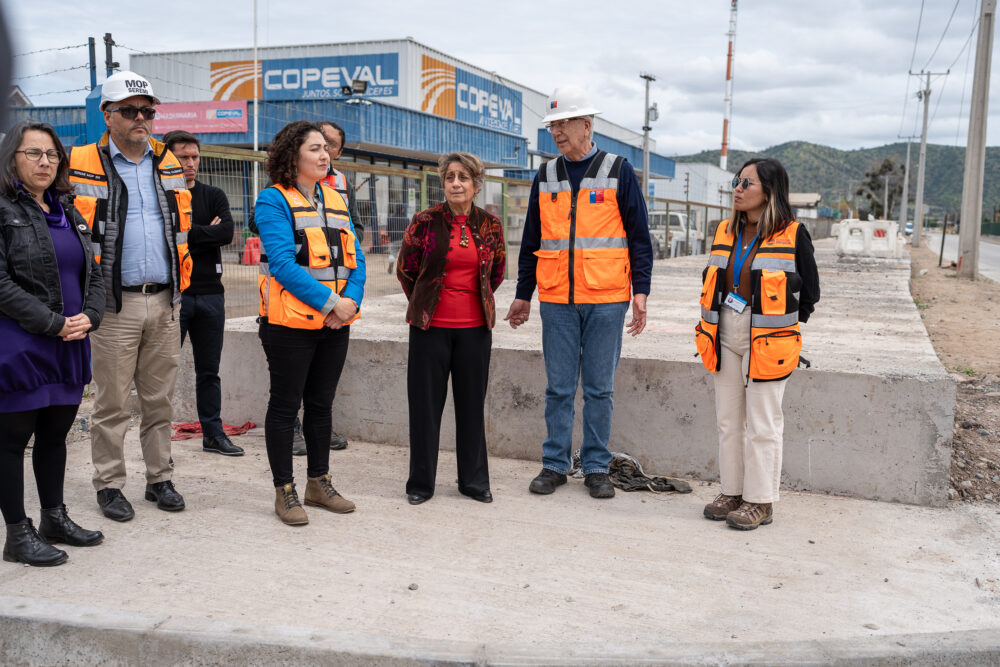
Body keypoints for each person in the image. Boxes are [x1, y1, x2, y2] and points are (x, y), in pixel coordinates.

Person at [505, 84, 653, 500]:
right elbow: (533, 239)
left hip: (607, 298)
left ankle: (596, 466)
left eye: (563, 124)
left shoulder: (618, 169)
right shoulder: (546, 174)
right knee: (559, 387)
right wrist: (523, 294)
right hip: (556, 299)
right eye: (552, 126)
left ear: (586, 125)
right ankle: (554, 464)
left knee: (600, 388)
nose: (556, 132)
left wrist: (640, 291)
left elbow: (640, 238)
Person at [68, 70, 192, 521]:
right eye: (129, 110)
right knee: (113, 403)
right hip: (112, 305)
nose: (141, 118)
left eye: (147, 110)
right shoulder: (79, 163)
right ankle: (110, 484)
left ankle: (160, 477)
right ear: (107, 114)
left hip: (164, 301)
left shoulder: (167, 163)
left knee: (160, 399)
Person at [0, 121, 105, 566]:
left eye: (52, 155)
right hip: (22, 344)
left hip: (68, 341)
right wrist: (52, 323)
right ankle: (17, 534)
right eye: (33, 153)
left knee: (55, 435)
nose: (45, 162)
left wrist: (90, 316)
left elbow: (93, 272)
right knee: (10, 441)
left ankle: (53, 517)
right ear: (12, 159)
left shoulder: (66, 208)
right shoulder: (3, 209)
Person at [696, 158, 819, 530]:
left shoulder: (793, 233)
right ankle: (732, 492)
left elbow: (810, 293)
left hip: (767, 337)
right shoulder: (724, 230)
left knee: (763, 423)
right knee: (728, 421)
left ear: (769, 191)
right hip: (724, 331)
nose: (737, 187)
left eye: (746, 183)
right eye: (736, 181)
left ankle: (760, 500)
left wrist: (780, 328)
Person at [255, 120, 365, 526]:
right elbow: (282, 264)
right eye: (315, 149)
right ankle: (285, 490)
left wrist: (351, 302)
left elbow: (358, 257)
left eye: (326, 149)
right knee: (285, 407)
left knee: (321, 405)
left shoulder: (336, 198)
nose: (325, 155)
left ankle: (319, 483)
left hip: (336, 323)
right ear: (292, 156)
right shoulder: (272, 201)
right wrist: (334, 302)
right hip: (289, 324)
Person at [396, 152, 506, 505]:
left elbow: (497, 272)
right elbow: (406, 270)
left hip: (475, 329)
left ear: (476, 184)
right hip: (430, 329)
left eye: (463, 178)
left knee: (472, 407)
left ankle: (473, 481)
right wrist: (426, 301)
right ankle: (421, 484)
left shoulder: (490, 225)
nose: (456, 183)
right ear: (442, 183)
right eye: (449, 178)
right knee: (425, 408)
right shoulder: (424, 221)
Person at [162, 130, 243, 458]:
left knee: (209, 370)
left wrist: (189, 233)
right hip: (175, 294)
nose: (190, 163)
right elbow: (167, 235)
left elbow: (226, 232)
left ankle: (213, 433)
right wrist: (202, 232)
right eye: (183, 157)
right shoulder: (163, 196)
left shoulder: (213, 194)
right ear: (169, 159)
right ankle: (158, 442)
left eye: (194, 157)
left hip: (211, 295)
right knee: (164, 370)